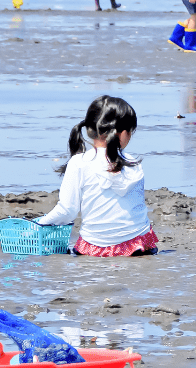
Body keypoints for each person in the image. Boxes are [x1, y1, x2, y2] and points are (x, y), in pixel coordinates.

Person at [35, 95, 159, 256]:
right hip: (138, 246)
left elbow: (67, 211)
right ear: (122, 134)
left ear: (89, 129)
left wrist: (38, 224)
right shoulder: (134, 163)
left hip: (95, 248)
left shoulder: (79, 162)